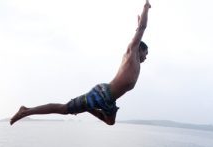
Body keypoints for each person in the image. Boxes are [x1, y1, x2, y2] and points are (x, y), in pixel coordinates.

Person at [10, 0, 151, 126]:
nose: (146, 57)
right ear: (140, 49)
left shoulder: (136, 63)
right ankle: (26, 111)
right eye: (146, 53)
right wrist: (146, 6)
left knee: (110, 121)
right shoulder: (131, 53)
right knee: (64, 109)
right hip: (102, 94)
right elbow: (142, 28)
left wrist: (138, 29)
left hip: (109, 100)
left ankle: (88, 108)